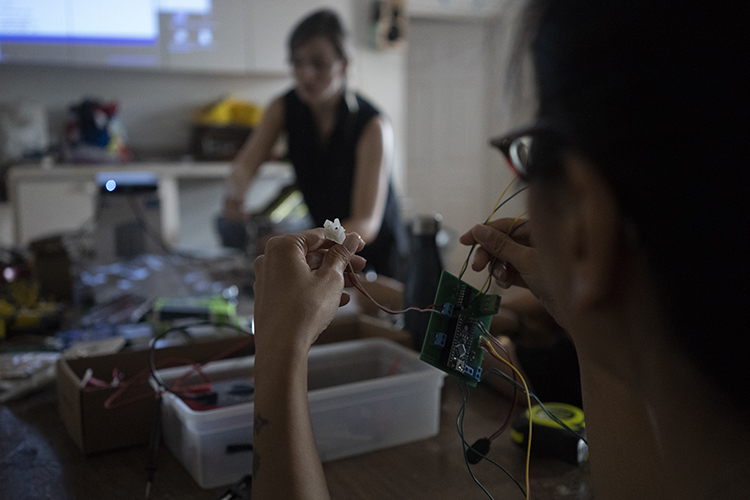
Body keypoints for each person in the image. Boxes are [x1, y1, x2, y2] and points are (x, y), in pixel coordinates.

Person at [251, 0, 749, 498]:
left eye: (527, 152)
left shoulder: (369, 124)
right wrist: (570, 311)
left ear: (583, 221)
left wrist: (279, 347)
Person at [224, 9, 408, 280]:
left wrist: (299, 242)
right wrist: (235, 195)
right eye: (297, 63)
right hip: (326, 254)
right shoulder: (283, 107)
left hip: (377, 261)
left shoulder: (372, 125)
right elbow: (244, 167)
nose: (305, 74)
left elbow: (366, 224)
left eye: (319, 64)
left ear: (344, 64)